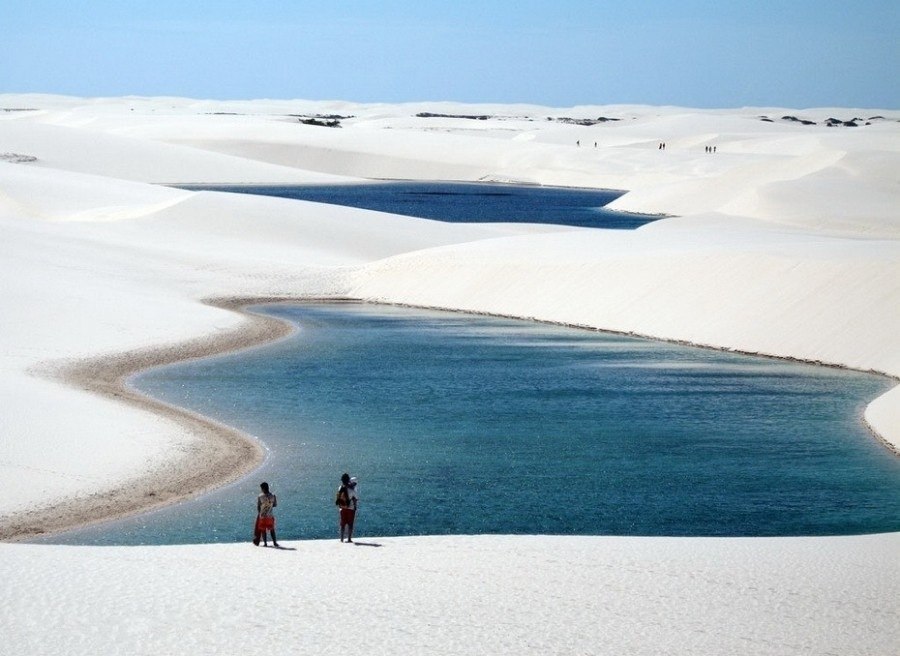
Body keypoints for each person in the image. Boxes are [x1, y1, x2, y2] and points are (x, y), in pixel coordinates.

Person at [335, 472, 359, 543]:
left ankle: (341, 539)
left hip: (342, 508)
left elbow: (338, 496)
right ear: (348, 480)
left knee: (342, 524)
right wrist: (355, 507)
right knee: (350, 524)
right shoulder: (352, 490)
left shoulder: (340, 487)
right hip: (350, 508)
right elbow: (356, 498)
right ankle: (349, 539)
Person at [255, 481, 278, 547]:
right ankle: (274, 543)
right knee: (272, 529)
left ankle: (265, 543)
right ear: (268, 487)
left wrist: (259, 513)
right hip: (270, 515)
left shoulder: (260, 496)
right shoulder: (273, 496)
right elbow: (275, 505)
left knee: (263, 529)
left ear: (262, 488)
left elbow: (258, 506)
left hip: (262, 515)